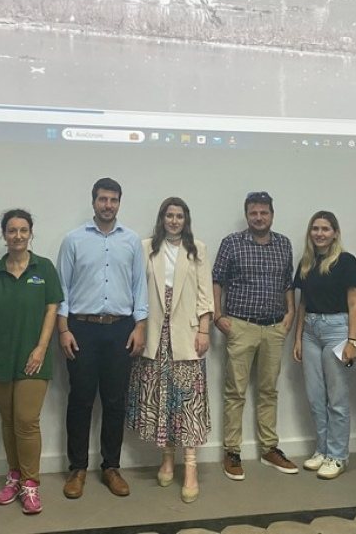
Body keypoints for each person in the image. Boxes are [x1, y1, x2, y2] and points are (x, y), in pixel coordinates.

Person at [57, 178, 147, 499]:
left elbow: (139, 286)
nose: (108, 205)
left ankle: (111, 467)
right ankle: (77, 468)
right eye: (103, 199)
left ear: (119, 203)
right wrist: (64, 329)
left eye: (113, 200)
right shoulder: (73, 240)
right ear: (93, 201)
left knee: (114, 400)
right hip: (81, 329)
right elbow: (62, 288)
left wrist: (140, 327)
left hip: (120, 329)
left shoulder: (132, 241)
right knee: (80, 399)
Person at [127, 197, 213, 503]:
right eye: (169, 215)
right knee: (162, 400)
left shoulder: (197, 249)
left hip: (187, 336)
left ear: (185, 220)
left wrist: (204, 329)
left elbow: (205, 294)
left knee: (188, 402)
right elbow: (137, 289)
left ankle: (190, 467)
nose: (174, 221)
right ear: (161, 218)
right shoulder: (145, 247)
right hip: (155, 335)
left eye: (179, 216)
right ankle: (166, 458)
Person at [0, 209, 62, 515]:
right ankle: (13, 477)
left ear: (30, 233)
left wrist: (41, 348)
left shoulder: (44, 268)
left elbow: (52, 308)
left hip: (33, 359)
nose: (17, 236)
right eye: (12, 230)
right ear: (4, 235)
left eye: (23, 230)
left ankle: (30, 483)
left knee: (26, 422)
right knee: (8, 421)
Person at [213, 191, 297, 481]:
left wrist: (290, 312)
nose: (259, 217)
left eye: (264, 212)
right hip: (241, 326)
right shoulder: (232, 243)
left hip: (274, 328)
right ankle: (232, 451)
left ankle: (269, 448)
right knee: (235, 392)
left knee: (268, 391)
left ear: (272, 215)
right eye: (253, 213)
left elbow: (287, 283)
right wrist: (217, 315)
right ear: (247, 215)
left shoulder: (284, 244)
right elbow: (217, 280)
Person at [292, 211, 356, 480]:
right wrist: (298, 338)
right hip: (310, 331)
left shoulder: (346, 261)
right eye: (315, 228)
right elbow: (302, 303)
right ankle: (322, 450)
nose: (319, 233)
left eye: (325, 229)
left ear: (335, 233)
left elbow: (355, 302)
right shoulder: (306, 263)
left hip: (337, 330)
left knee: (337, 399)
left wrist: (353, 340)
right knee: (315, 397)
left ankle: (338, 455)